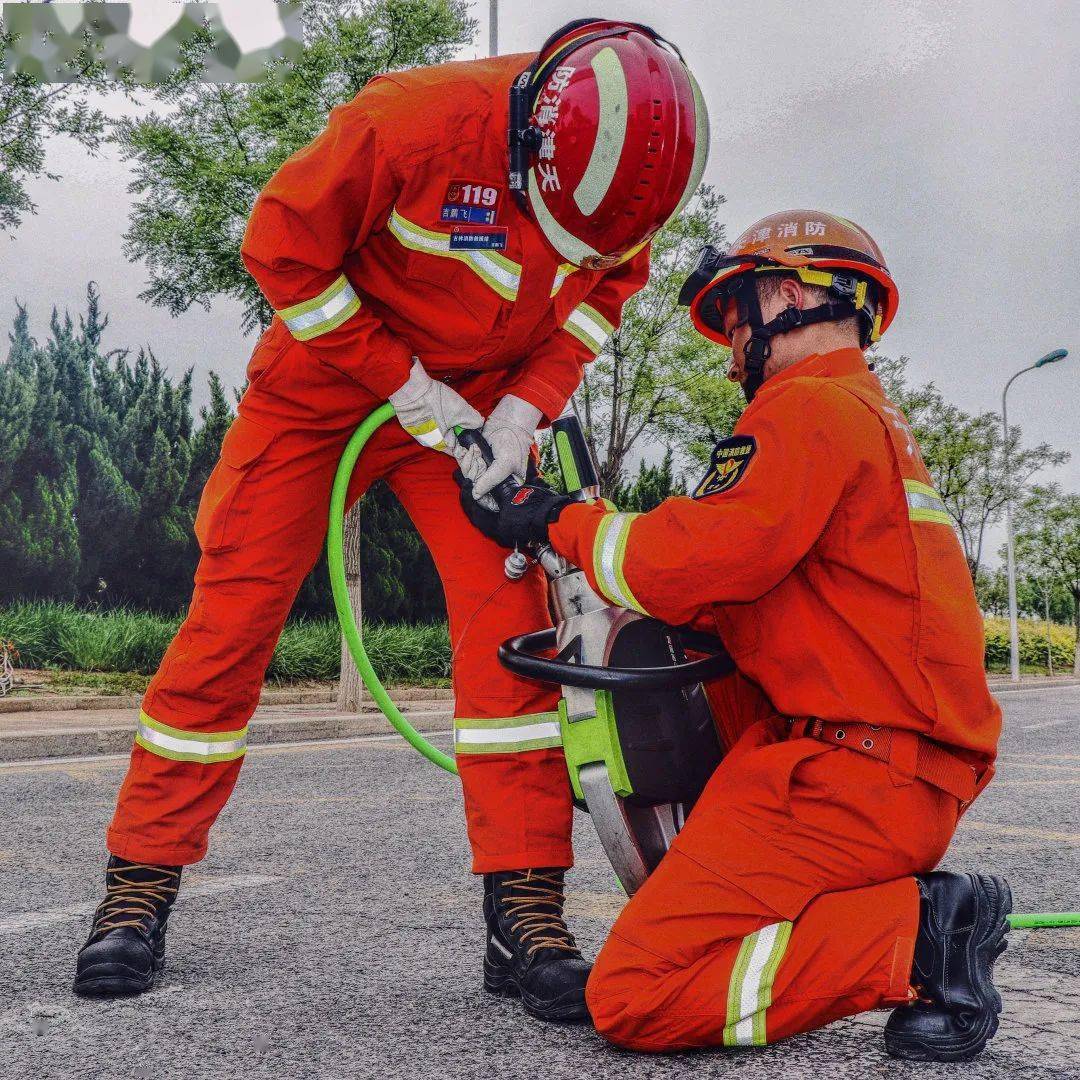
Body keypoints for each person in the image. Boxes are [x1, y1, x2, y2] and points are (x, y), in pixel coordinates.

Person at [73, 19, 709, 1022]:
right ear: (527, 145)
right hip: (324, 390)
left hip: (485, 410)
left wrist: (525, 405)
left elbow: (602, 298)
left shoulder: (631, 175)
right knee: (228, 624)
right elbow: (278, 247)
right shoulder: (405, 125)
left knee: (514, 638)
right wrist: (405, 387)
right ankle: (137, 889)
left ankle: (525, 912)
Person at [457, 211, 1009, 1060]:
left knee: (637, 992)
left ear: (789, 295)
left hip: (844, 782)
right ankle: (907, 924)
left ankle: (923, 933)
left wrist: (553, 518)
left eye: (738, 320)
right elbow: (744, 593)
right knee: (679, 926)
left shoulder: (807, 409)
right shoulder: (869, 418)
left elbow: (696, 561)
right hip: (883, 772)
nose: (728, 353)